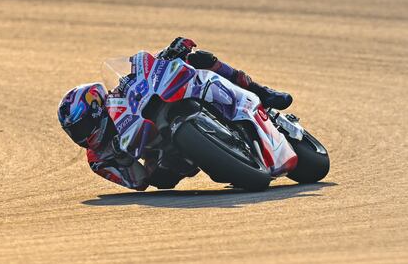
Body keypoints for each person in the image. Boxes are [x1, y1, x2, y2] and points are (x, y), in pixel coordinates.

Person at [57, 37, 293, 191]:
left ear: (96, 108)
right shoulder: (97, 159)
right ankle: (223, 156)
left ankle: (260, 91)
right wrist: (122, 157)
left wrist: (170, 53)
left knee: (200, 59)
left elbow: (146, 70)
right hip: (166, 157)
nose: (81, 134)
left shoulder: (119, 93)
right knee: (162, 180)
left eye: (81, 126)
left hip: (168, 103)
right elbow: (138, 181)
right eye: (74, 132)